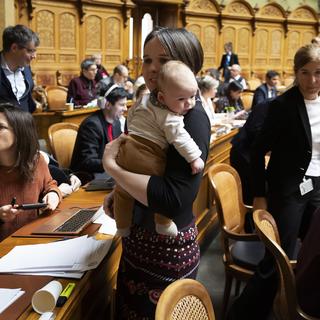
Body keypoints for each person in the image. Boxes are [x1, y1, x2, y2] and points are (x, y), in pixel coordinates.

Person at [102, 27, 211, 319]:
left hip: (167, 251)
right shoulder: (150, 102)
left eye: (162, 61)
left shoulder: (192, 117)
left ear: (186, 64)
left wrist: (112, 169)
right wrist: (117, 190)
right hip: (138, 240)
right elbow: (137, 159)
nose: (151, 69)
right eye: (146, 60)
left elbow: (173, 199)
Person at [228, 43, 320, 320]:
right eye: (305, 73)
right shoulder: (282, 105)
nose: (312, 80)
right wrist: (260, 194)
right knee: (277, 258)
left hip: (317, 186)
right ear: (295, 72)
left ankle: (303, 306)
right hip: (288, 189)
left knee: (315, 253)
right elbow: (256, 151)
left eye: (318, 73)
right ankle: (243, 315)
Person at [114, 60, 204, 238]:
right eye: (182, 99)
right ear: (162, 98)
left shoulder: (144, 99)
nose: (190, 104)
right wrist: (194, 158)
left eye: (193, 96)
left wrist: (132, 131)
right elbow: (180, 137)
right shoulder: (170, 115)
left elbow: (130, 115)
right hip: (149, 155)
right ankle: (163, 222)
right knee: (162, 183)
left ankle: (122, 227)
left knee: (122, 192)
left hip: (127, 149)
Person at [0, 103, 62, 242]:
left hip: (33, 241)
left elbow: (50, 185)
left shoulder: (37, 161)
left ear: (20, 132)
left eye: (0, 127)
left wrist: (53, 194)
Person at [70, 85, 126, 182]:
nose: (125, 108)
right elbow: (87, 162)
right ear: (107, 104)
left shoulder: (116, 122)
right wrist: (116, 163)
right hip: (87, 177)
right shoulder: (92, 125)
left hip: (106, 173)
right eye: (121, 105)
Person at [229, 101, 270, 205]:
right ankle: (249, 220)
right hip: (243, 153)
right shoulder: (266, 106)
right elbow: (257, 135)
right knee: (249, 196)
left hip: (255, 154)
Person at [0, 24, 39, 113]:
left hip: (24, 124)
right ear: (14, 48)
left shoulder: (26, 68)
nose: (34, 56)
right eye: (30, 51)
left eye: (35, 51)